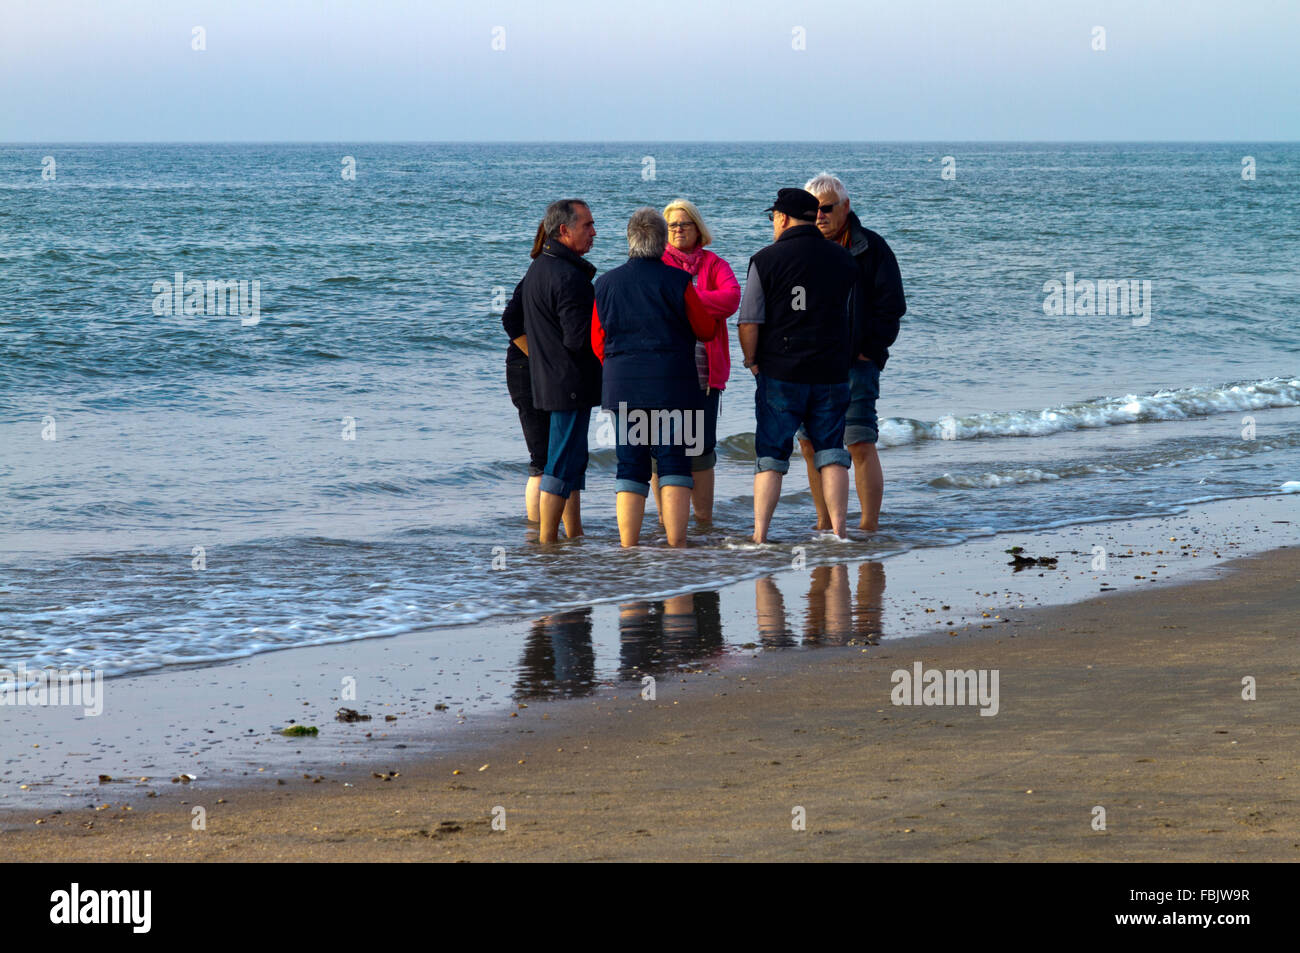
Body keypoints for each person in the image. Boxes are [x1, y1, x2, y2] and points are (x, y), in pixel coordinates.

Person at [590, 208, 717, 547]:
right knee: (675, 462)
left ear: (630, 241)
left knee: (630, 466)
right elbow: (705, 329)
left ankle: (628, 548)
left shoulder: (604, 283)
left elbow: (597, 341)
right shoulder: (678, 281)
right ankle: (677, 547)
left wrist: (621, 368)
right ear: (662, 243)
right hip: (674, 386)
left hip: (623, 387)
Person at [737, 188, 858, 543]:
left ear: (783, 217)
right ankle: (839, 531)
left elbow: (749, 321)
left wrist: (751, 361)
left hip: (780, 371)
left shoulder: (765, 259)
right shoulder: (844, 259)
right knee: (832, 452)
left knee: (771, 455)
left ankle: (760, 535)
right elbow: (852, 315)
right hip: (832, 371)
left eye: (773, 216)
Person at [796, 173, 907, 532]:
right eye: (813, 210)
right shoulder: (801, 249)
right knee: (811, 445)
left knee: (859, 442)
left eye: (827, 209)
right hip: (809, 365)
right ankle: (824, 523)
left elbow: (892, 306)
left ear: (846, 207)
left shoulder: (871, 248)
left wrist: (870, 351)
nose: (820, 216)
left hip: (855, 365)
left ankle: (868, 527)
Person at [649, 199, 741, 523]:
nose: (677, 230)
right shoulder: (657, 263)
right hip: (665, 375)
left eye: (683, 224)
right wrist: (695, 303)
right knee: (662, 450)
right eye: (671, 225)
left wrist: (684, 298)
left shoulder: (714, 264)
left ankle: (703, 523)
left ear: (697, 228)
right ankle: (665, 521)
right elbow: (654, 305)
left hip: (706, 377)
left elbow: (731, 298)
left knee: (700, 451)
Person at [519, 198, 600, 544]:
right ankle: (548, 541)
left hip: (552, 380)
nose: (594, 232)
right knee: (561, 463)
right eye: (587, 226)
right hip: (568, 381)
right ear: (564, 230)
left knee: (571, 461)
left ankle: (574, 533)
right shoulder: (568, 276)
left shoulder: (539, 266)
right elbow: (578, 339)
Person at [501, 221, 559, 523]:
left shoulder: (542, 272)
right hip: (526, 371)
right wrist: (538, 355)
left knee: (550, 458)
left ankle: (546, 535)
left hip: (534, 370)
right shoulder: (537, 274)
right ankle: (538, 536)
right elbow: (509, 321)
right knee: (541, 459)